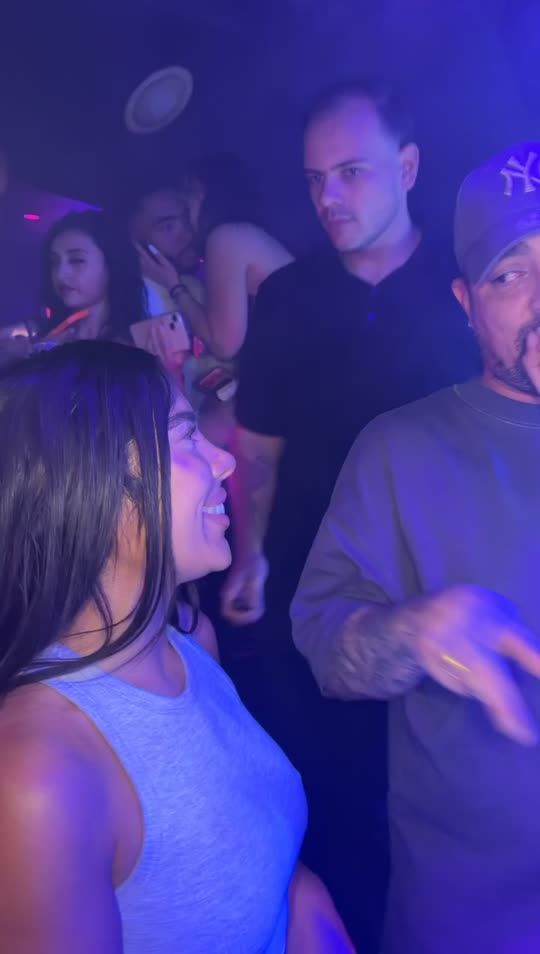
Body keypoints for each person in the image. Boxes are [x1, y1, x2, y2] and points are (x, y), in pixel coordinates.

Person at [220, 80, 480, 950]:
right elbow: (258, 446)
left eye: (351, 173)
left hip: (447, 584)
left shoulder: (464, 284)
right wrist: (250, 553)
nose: (328, 196)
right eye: (314, 179)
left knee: (444, 802)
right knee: (331, 799)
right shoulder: (290, 296)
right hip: (315, 584)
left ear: (407, 167)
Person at [0, 340, 353, 954]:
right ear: (93, 484)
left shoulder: (189, 645)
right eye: (186, 436)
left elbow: (275, 875)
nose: (225, 460)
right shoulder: (39, 774)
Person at [291, 140, 540, 954]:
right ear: (466, 303)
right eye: (510, 274)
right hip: (475, 920)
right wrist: (414, 632)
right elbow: (327, 649)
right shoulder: (402, 450)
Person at [41, 209, 147, 342]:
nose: (60, 274)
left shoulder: (143, 340)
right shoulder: (46, 342)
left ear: (111, 264)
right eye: (54, 262)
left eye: (77, 260)